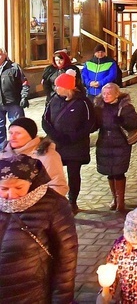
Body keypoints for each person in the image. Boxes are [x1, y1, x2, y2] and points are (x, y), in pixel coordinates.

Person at [0, 155, 78, 302]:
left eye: (18, 187)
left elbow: (66, 259)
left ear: (32, 182)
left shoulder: (54, 205)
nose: (11, 195)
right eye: (4, 188)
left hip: (32, 294)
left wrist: (62, 299)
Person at [42, 70, 95, 212]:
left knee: (73, 174)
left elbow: (89, 123)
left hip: (75, 146)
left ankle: (72, 201)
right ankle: (55, 200)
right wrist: (55, 135)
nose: (55, 88)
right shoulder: (53, 99)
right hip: (57, 144)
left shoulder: (83, 102)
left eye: (58, 86)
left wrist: (72, 138)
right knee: (53, 173)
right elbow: (45, 120)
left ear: (67, 87)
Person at [94, 82, 137, 212]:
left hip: (120, 143)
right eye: (104, 93)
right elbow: (94, 125)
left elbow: (135, 122)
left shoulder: (125, 107)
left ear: (117, 94)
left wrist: (123, 120)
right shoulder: (99, 107)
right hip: (104, 142)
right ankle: (114, 198)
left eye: (109, 93)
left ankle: (121, 202)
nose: (106, 96)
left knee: (119, 172)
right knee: (109, 172)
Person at [2, 117, 68, 197]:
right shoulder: (3, 155)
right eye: (11, 133)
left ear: (30, 135)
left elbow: (58, 187)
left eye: (18, 133)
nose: (13, 137)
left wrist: (38, 204)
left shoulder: (47, 156)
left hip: (38, 207)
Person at [0, 47, 29, 144]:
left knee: (17, 127)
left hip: (13, 102)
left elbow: (24, 83)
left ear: (5, 55)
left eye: (0, 54)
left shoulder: (14, 67)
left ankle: (20, 148)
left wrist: (24, 97)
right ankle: (2, 150)